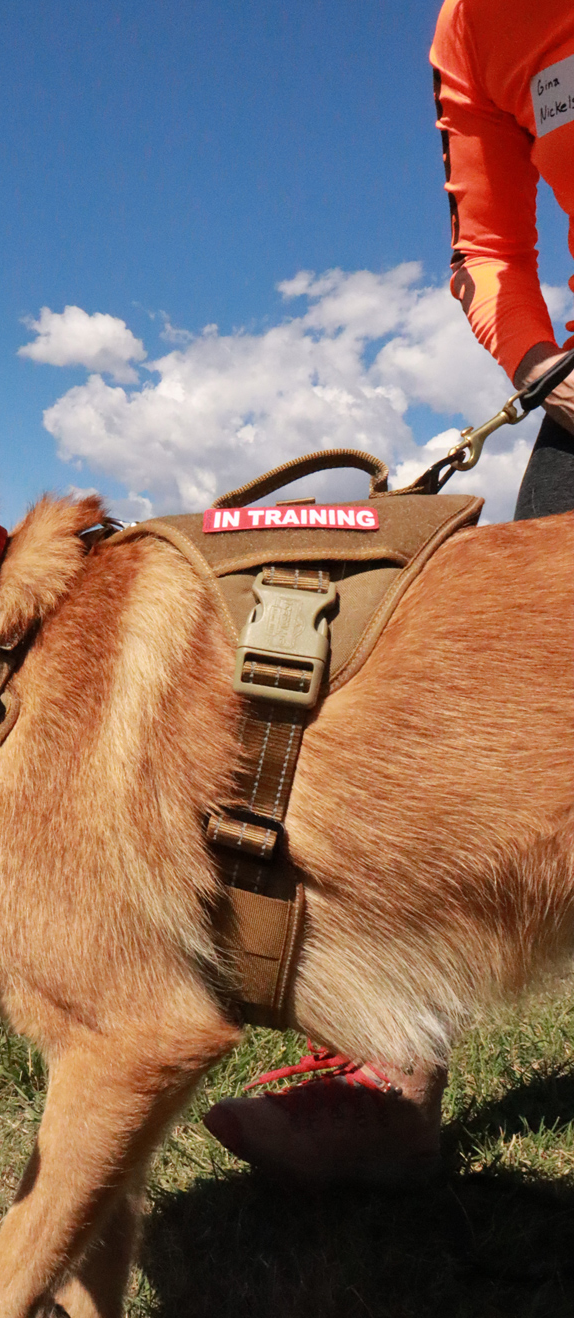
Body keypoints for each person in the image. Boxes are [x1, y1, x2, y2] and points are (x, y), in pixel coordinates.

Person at [204, 0, 574, 1184]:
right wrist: (541, 365)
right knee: (516, 705)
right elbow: (490, 256)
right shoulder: (473, 36)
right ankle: (387, 1065)